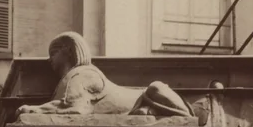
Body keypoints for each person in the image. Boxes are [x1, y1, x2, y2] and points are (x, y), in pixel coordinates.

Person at [17, 31, 192, 120]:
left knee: (156, 88)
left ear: (68, 50)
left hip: (145, 98)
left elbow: (76, 109)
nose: (50, 59)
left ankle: (168, 112)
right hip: (138, 106)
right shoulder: (72, 77)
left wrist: (35, 109)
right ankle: (150, 111)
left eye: (54, 53)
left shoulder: (84, 75)